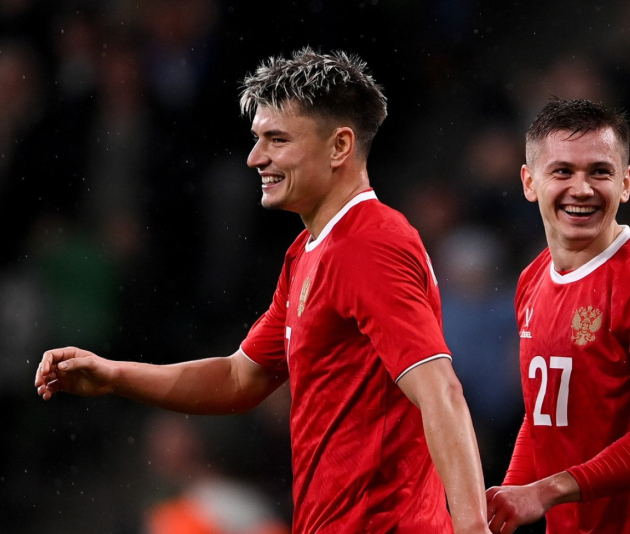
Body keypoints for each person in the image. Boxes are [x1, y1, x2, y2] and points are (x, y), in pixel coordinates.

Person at [35, 48, 490, 534]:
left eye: (277, 139)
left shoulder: (369, 244)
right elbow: (239, 378)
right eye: (258, 139)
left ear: (340, 146)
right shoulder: (308, 252)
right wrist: (114, 375)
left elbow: (440, 389)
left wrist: (472, 528)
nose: (256, 157)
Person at [485, 99, 630, 533]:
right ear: (529, 182)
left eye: (600, 172)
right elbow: (543, 418)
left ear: (625, 183)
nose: (582, 189)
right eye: (562, 171)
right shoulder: (532, 280)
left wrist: (546, 491)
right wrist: (506, 502)